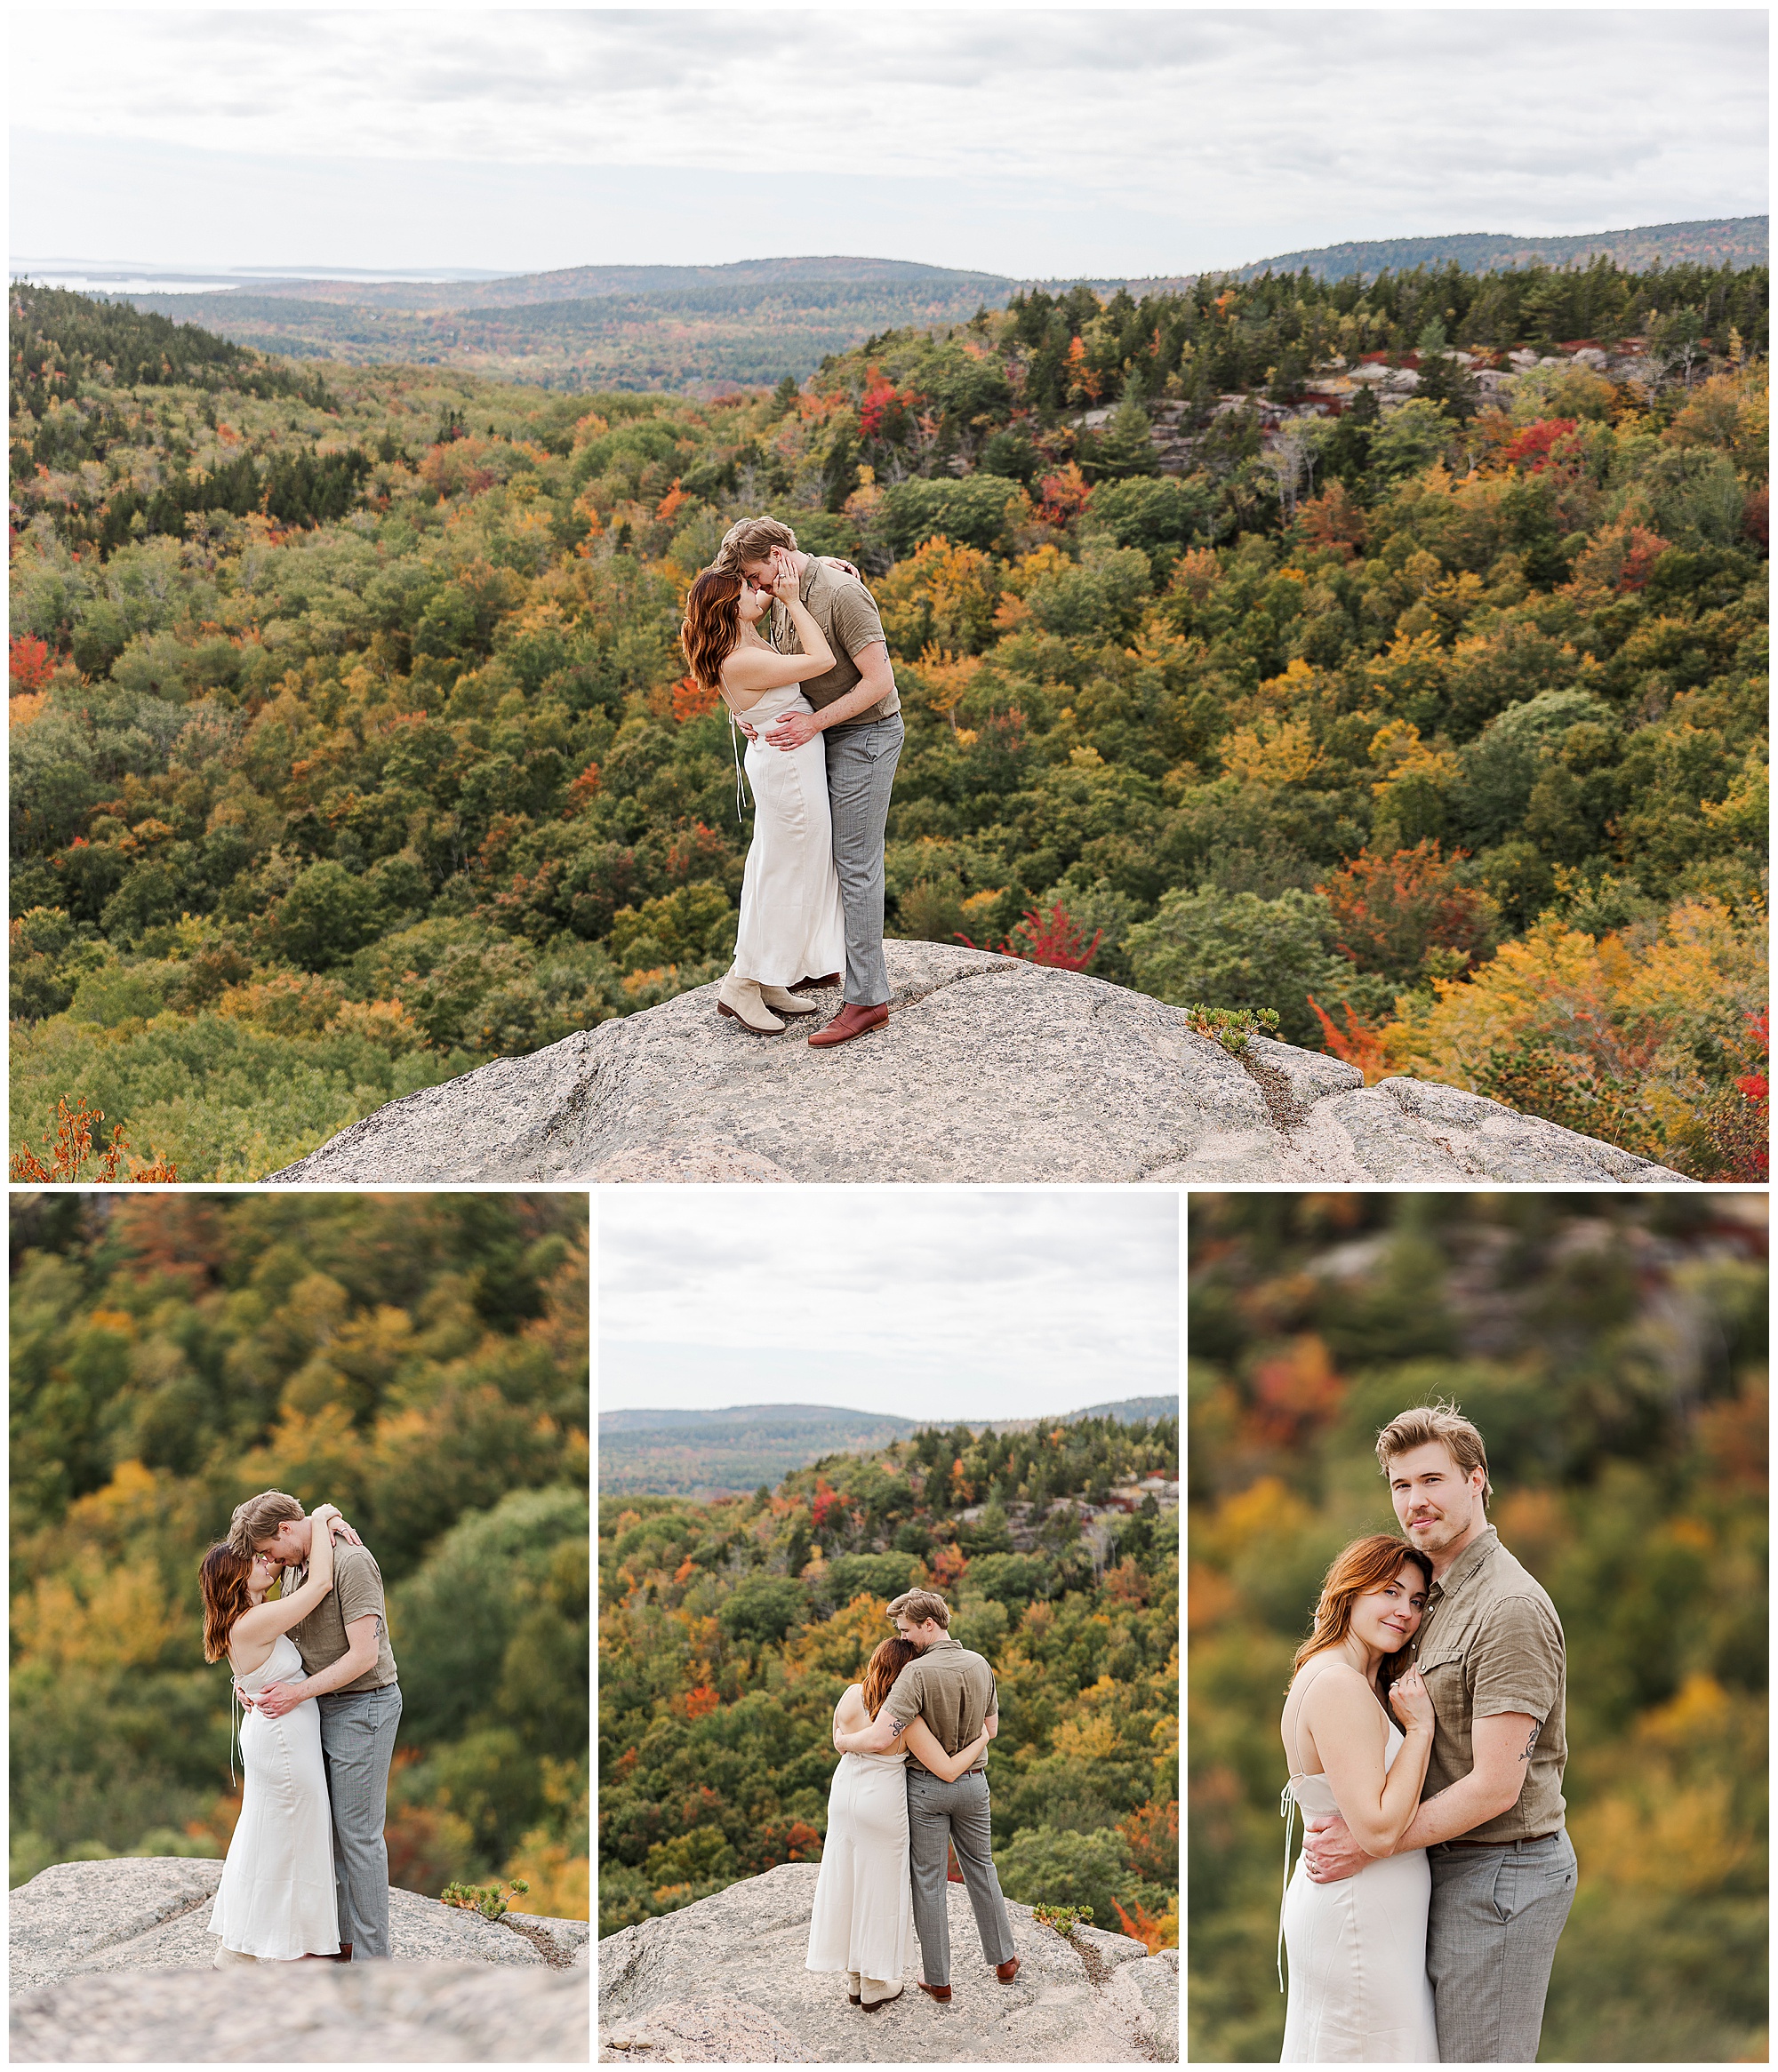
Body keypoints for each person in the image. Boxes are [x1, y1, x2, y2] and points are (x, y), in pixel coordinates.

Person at [1301, 1404, 1576, 2063]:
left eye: (1432, 1480)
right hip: (1441, 1865)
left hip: (1499, 1872)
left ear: (1476, 1479)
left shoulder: (1508, 1607)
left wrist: (1373, 1844)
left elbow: (1495, 1786)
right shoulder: (1427, 1597)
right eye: (1401, 1485)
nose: (1415, 1501)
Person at [717, 516, 903, 1050]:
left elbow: (881, 683)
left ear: (778, 555)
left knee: (855, 861)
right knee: (806, 855)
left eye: (754, 575)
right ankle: (799, 965)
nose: (753, 588)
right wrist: (744, 711)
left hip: (864, 737)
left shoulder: (843, 594)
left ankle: (867, 999)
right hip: (815, 739)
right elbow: (736, 645)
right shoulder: (781, 590)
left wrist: (812, 723)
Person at [1277, 1534, 1438, 2061]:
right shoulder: (1338, 1685)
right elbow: (1377, 1830)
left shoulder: (1348, 1678)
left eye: (1416, 1601)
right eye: (1390, 1592)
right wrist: (1418, 1733)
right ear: (1352, 1590)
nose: (1404, 1612)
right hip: (1358, 1920)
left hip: (1368, 1918)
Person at [228, 1490, 404, 1964]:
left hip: (362, 1707)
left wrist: (296, 1694)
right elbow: (280, 1646)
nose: (268, 1561)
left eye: (268, 1549)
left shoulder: (351, 1562)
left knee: (359, 1837)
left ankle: (372, 1963)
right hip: (320, 1710)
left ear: (286, 1529)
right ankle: (341, 1944)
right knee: (328, 1833)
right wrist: (249, 1683)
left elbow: (364, 1656)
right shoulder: (299, 1568)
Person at [680, 554, 847, 1034]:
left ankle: (771, 977)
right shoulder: (743, 656)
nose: (759, 591)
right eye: (747, 590)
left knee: (786, 867)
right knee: (782, 873)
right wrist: (794, 602)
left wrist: (821, 566)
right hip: (788, 770)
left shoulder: (747, 637)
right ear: (731, 608)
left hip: (788, 763)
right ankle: (742, 983)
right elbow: (822, 661)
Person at [837, 1588, 1019, 1999]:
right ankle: (1005, 1960)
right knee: (982, 1868)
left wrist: (844, 1743)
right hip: (974, 1783)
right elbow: (991, 1730)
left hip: (926, 1789)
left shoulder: (913, 1675)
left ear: (929, 1625)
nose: (904, 1639)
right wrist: (976, 1751)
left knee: (930, 1880)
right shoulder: (980, 1664)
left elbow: (884, 1735)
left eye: (906, 1630)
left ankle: (938, 1980)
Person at [807, 1636, 997, 2011]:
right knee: (881, 1889)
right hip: (881, 1801)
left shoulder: (849, 1695)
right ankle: (876, 1983)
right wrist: (981, 1741)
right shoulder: (906, 1718)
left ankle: (854, 1976)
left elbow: (838, 1740)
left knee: (848, 1879)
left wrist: (848, 1744)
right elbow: (946, 1769)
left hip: (844, 1795)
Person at [199, 1501, 349, 1964]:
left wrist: (246, 1686)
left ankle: (244, 1949)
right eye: (255, 1561)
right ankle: (290, 1950)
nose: (266, 1562)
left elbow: (254, 1668)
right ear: (236, 1580)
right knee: (293, 1839)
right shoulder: (257, 1620)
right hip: (284, 1745)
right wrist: (322, 1518)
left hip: (277, 1736)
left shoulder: (250, 1617)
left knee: (269, 1836)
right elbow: (322, 1583)